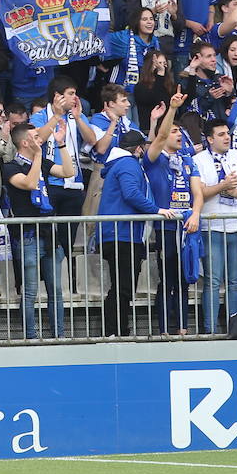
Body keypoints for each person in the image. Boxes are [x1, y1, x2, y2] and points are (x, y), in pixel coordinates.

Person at [96, 124, 181, 337]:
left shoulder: (121, 163)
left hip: (120, 233)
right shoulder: (128, 164)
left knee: (121, 286)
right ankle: (116, 331)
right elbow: (131, 194)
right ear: (138, 148)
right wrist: (157, 210)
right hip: (122, 234)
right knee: (123, 287)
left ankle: (115, 330)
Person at [3, 118, 73, 340]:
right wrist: (39, 156)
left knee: (56, 290)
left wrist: (61, 145)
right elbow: (30, 184)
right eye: (35, 138)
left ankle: (59, 335)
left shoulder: (41, 162)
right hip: (28, 235)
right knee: (31, 291)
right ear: (24, 143)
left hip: (49, 233)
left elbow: (68, 172)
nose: (40, 140)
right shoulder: (10, 167)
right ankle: (30, 336)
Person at [193, 117, 237, 334]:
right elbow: (199, 191)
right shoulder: (199, 159)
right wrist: (223, 185)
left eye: (227, 133)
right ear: (210, 139)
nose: (226, 137)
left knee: (236, 281)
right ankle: (210, 330)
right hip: (212, 227)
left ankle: (236, 328)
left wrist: (231, 192)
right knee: (212, 281)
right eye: (221, 134)